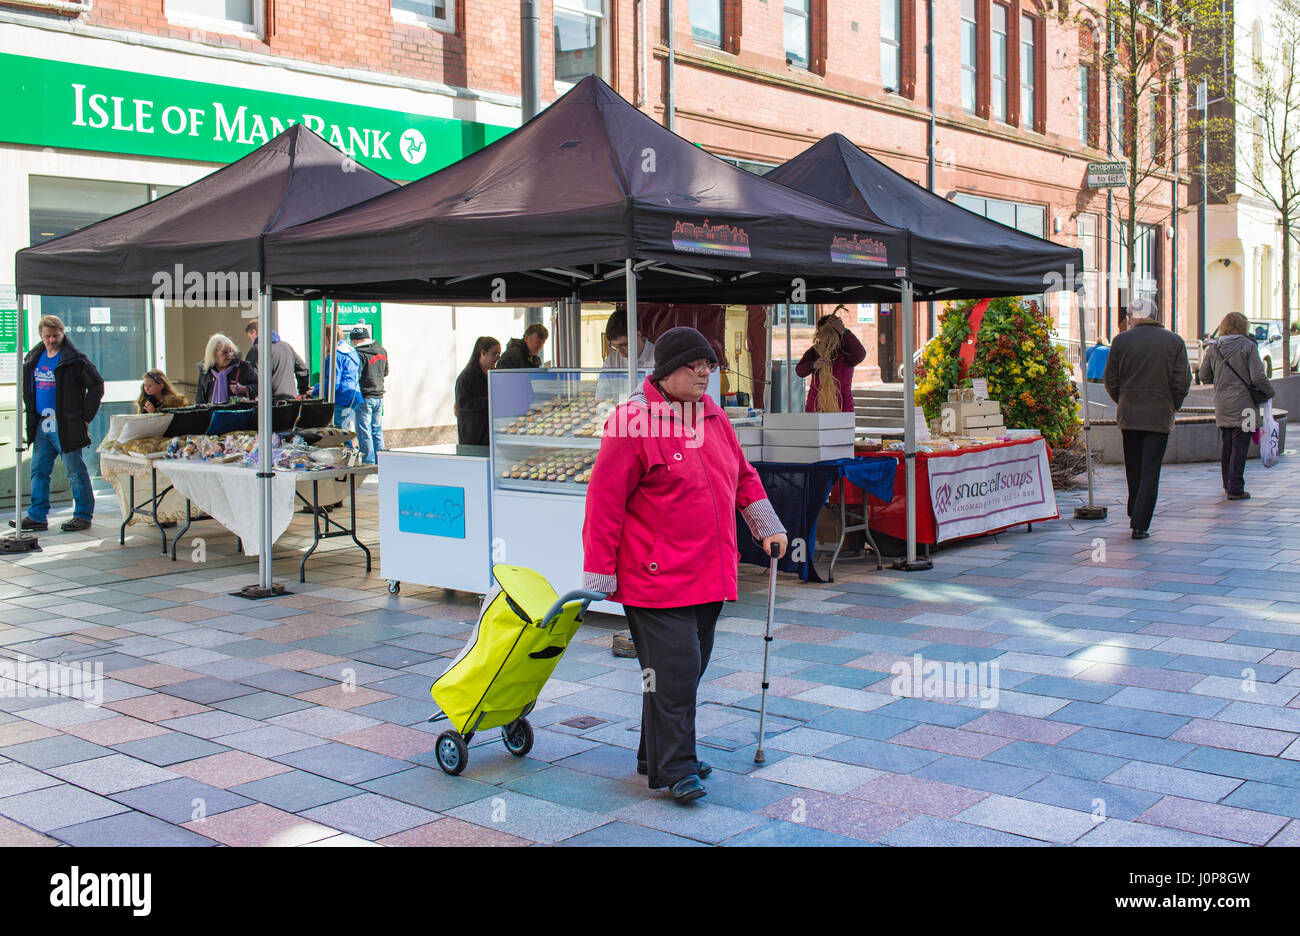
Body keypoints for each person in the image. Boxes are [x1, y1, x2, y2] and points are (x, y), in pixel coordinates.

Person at [582, 326, 788, 804]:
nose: (704, 374)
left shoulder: (713, 415)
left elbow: (743, 477)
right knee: (675, 669)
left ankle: (651, 753)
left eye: (709, 367)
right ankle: (675, 768)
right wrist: (599, 569)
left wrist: (766, 524)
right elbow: (604, 501)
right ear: (667, 370)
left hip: (708, 573)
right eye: (695, 366)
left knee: (684, 671)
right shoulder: (631, 422)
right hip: (652, 578)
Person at [1103, 298, 1191, 539]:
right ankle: (1140, 522)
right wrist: (1173, 403)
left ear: (1136, 317)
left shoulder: (1121, 341)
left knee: (1133, 465)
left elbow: (1109, 379)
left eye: (1130, 314)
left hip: (1129, 413)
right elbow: (1182, 381)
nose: (1128, 318)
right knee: (1150, 468)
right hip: (1159, 413)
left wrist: (1123, 399)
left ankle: (1135, 511)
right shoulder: (1174, 341)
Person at [13, 315, 103, 533]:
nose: (52, 340)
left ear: (63, 333)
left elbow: (97, 385)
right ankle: (37, 516)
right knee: (38, 471)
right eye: (47, 336)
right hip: (41, 424)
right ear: (40, 336)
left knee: (75, 471)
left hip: (65, 424)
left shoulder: (75, 360)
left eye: (56, 335)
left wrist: (84, 416)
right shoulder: (34, 357)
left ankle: (82, 515)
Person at [1197, 311, 1275, 501]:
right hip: (1246, 405)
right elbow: (1258, 376)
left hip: (1223, 404)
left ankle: (1227, 484)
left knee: (1228, 444)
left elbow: (1204, 376)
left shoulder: (1214, 348)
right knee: (1241, 445)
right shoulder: (1248, 346)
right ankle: (1236, 487)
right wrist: (1269, 392)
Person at [795, 306, 866, 412]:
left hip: (841, 406)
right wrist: (813, 365)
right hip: (816, 405)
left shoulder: (846, 350)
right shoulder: (815, 351)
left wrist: (844, 331)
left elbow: (860, 354)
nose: (827, 339)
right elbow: (799, 370)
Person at [244, 321, 309, 403]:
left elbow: (250, 377)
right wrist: (303, 390)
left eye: (250, 338)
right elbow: (303, 369)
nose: (252, 341)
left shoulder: (256, 349)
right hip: (291, 401)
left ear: (254, 332)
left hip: (270, 404)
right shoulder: (286, 346)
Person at [351, 326, 389, 465]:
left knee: (364, 431)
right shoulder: (381, 350)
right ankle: (382, 461)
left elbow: (357, 375)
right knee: (377, 430)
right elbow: (385, 372)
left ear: (356, 340)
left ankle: (369, 461)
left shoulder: (359, 354)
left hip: (365, 396)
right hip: (379, 395)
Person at [455, 337, 500, 446]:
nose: (498, 358)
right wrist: (490, 400)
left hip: (490, 434)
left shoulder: (494, 374)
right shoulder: (467, 376)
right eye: (495, 354)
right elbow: (463, 403)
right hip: (473, 437)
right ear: (483, 353)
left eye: (499, 355)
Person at [195, 334, 256, 405]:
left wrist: (245, 388)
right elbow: (199, 400)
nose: (230, 355)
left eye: (231, 351)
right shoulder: (205, 372)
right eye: (225, 352)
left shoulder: (243, 367)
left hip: (237, 414)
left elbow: (259, 387)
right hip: (213, 414)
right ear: (214, 353)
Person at [328, 326, 364, 433]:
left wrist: (315, 390)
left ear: (327, 339)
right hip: (355, 394)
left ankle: (349, 449)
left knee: (342, 432)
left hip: (343, 397)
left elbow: (334, 382)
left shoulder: (336, 355)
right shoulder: (352, 352)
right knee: (353, 430)